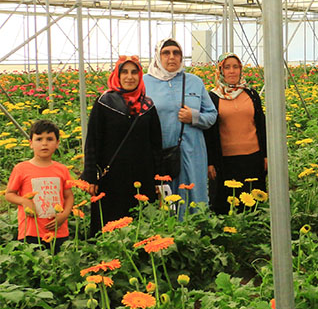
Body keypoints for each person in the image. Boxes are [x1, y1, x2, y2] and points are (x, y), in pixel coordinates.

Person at [81, 56, 163, 235]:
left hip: (142, 176)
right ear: (117, 75)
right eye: (124, 72)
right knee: (110, 222)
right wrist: (91, 176)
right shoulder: (104, 103)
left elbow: (156, 144)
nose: (129, 76)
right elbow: (93, 141)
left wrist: (158, 178)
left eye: (134, 72)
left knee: (140, 221)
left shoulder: (147, 105)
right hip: (112, 177)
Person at [144, 39, 217, 214]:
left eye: (176, 53)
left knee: (193, 195)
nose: (171, 57)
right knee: (165, 197)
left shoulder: (194, 82)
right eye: (166, 53)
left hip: (192, 152)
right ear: (157, 56)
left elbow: (212, 114)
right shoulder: (145, 83)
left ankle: (194, 233)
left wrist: (194, 117)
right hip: (161, 154)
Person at [205, 53, 267, 214]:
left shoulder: (251, 94)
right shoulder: (212, 97)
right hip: (225, 162)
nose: (232, 71)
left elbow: (261, 125)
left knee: (253, 203)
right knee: (227, 204)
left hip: (253, 158)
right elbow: (209, 133)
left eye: (235, 67)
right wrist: (210, 162)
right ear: (220, 71)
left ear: (241, 70)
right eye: (227, 67)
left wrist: (266, 155)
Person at [5, 120, 74, 245]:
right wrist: (24, 201)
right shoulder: (21, 169)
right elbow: (9, 194)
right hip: (31, 231)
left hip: (58, 231)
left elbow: (68, 196)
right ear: (30, 143)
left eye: (49, 139)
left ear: (57, 143)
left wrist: (64, 215)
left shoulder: (62, 169)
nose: (44, 144)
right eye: (39, 139)